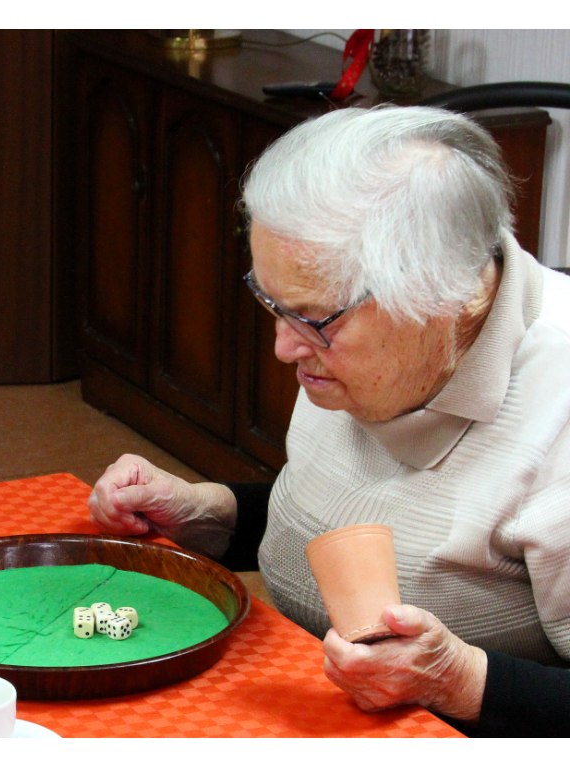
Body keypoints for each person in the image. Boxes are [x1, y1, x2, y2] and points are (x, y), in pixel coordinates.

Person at [88, 106, 570, 736]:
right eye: (272, 303)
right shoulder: (363, 341)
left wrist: (461, 680)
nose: (284, 349)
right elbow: (374, 511)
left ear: (447, 297)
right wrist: (211, 512)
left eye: (313, 319)